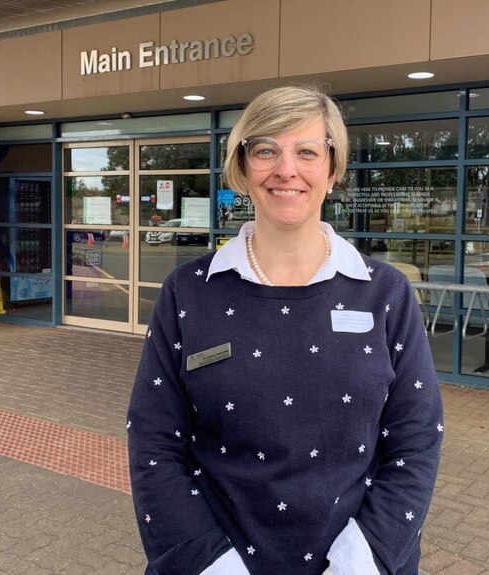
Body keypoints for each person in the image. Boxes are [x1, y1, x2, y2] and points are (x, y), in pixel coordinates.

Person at [127, 86, 443, 575]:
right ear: (243, 166)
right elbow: (153, 441)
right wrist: (210, 563)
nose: (286, 169)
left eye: (307, 151)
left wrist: (362, 560)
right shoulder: (188, 292)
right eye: (266, 150)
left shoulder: (385, 294)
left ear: (333, 169)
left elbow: (416, 439)